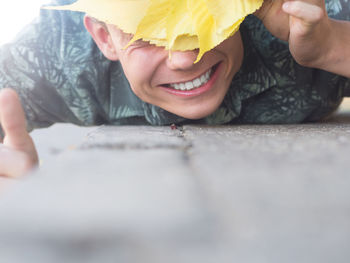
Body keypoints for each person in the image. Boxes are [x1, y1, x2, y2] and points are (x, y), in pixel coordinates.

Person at [0, 0, 349, 177]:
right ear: (104, 38)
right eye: (147, 38)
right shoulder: (56, 51)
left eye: (203, 25)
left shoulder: (306, 16)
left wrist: (331, 46)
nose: (183, 60)